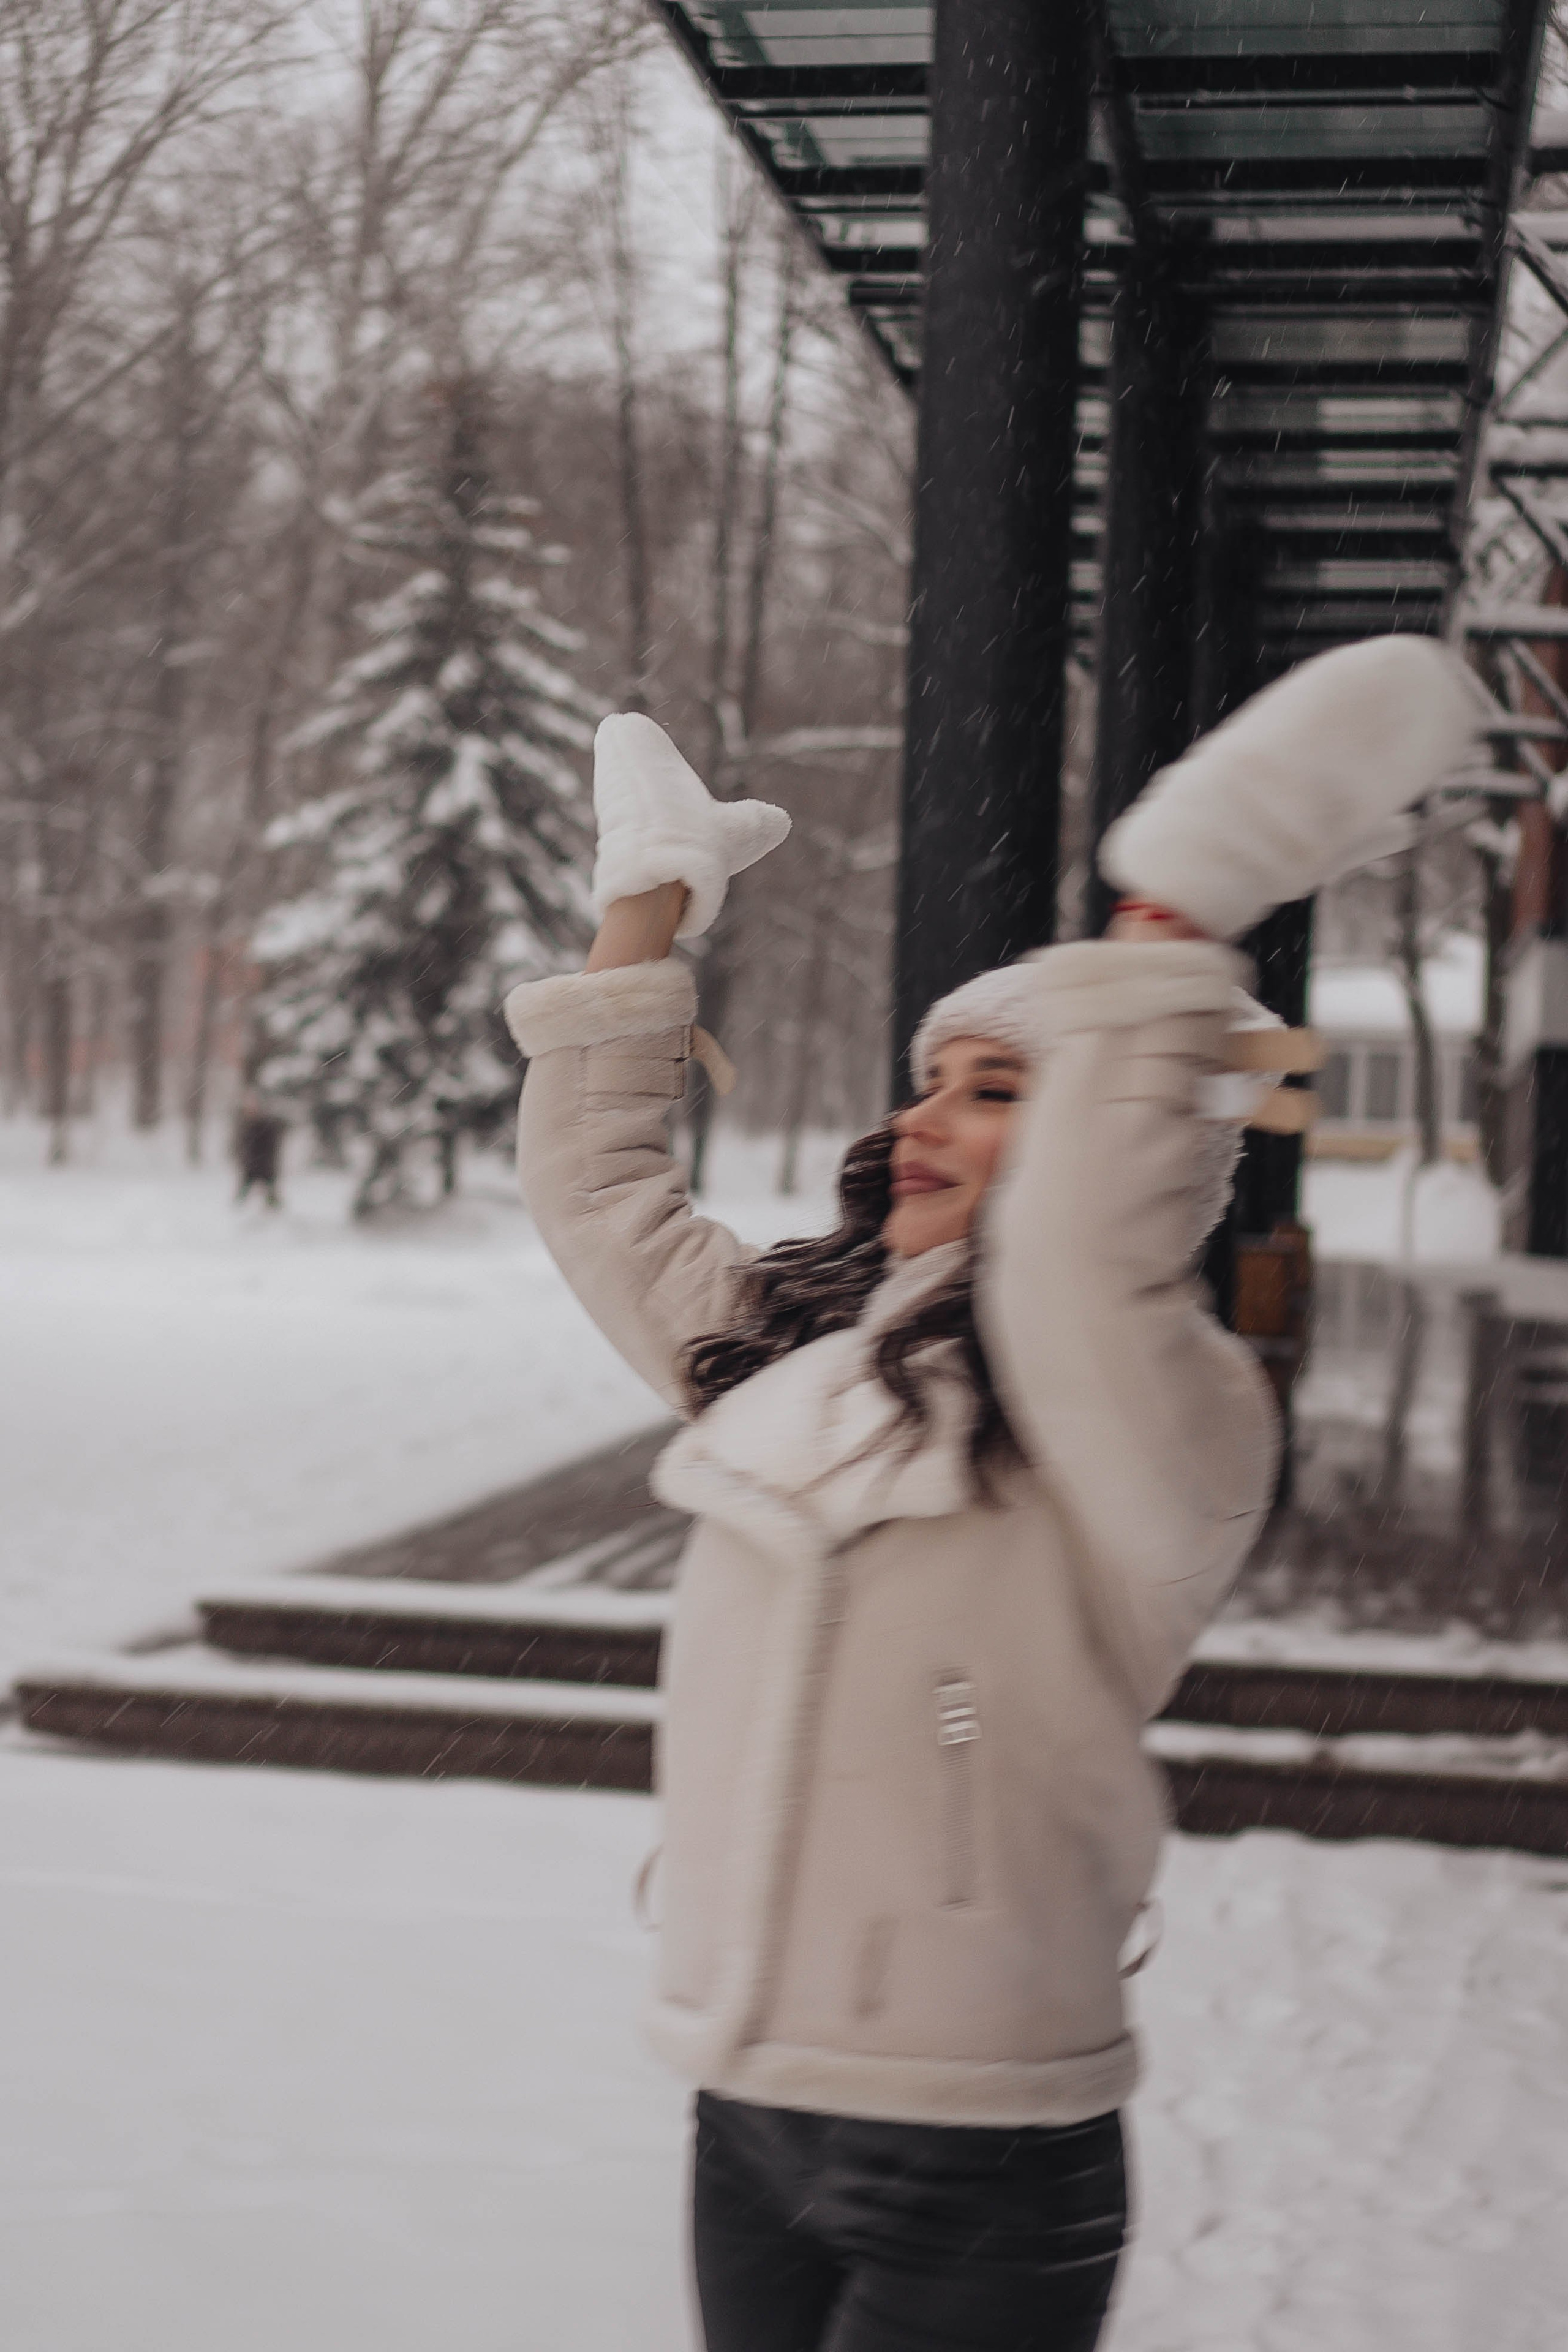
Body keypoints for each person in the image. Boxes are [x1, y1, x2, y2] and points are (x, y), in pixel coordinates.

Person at [502, 637, 1484, 2352]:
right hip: (745, 2104)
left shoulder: (1155, 1408)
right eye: (935, 1081)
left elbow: (1079, 1266)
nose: (931, 1119)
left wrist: (1180, 921)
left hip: (977, 2139)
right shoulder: (794, 1354)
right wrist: (650, 900)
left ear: (1130, 1129)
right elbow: (601, 1193)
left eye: (1002, 1091)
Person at [232, 1088, 288, 1209]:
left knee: (269, 1190)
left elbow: (270, 1146)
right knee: (247, 1189)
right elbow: (244, 1145)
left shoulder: (266, 1125)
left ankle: (274, 1208)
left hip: (263, 1164)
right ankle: (238, 1208)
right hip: (253, 1165)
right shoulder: (249, 1125)